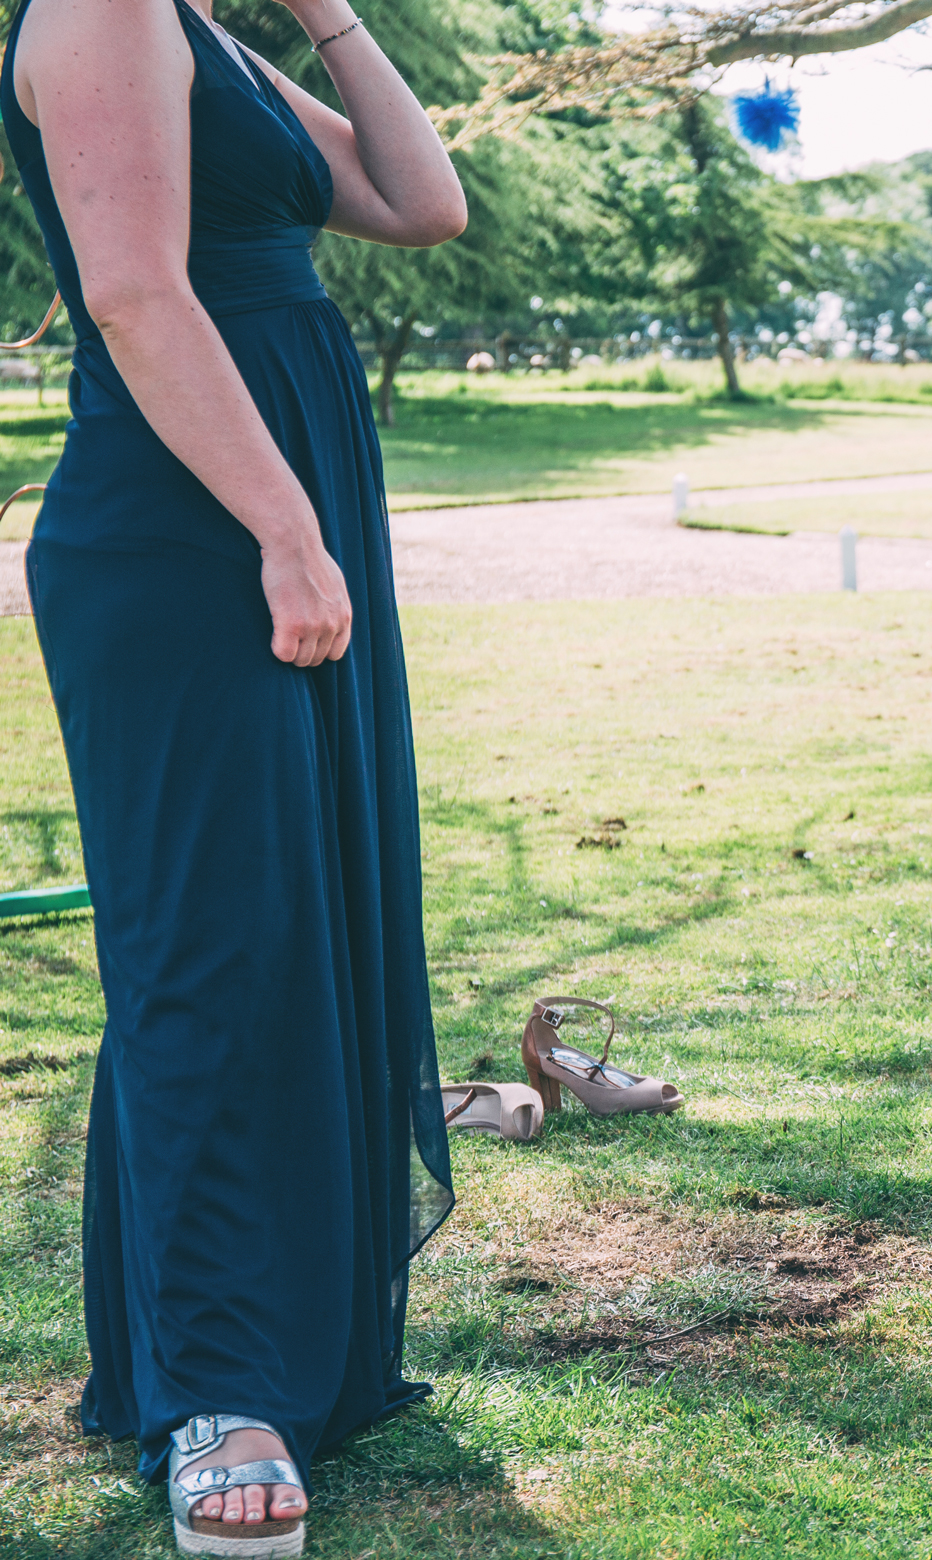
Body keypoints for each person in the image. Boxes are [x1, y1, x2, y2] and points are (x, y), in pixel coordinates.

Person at [5, 0, 466, 1552]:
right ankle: (214, 1390)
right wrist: (282, 529)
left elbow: (421, 204)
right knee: (204, 952)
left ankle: (297, 1341)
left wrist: (329, 16)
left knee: (290, 929)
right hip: (190, 526)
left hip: (281, 494)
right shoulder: (101, 8)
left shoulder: (201, 23)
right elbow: (134, 295)